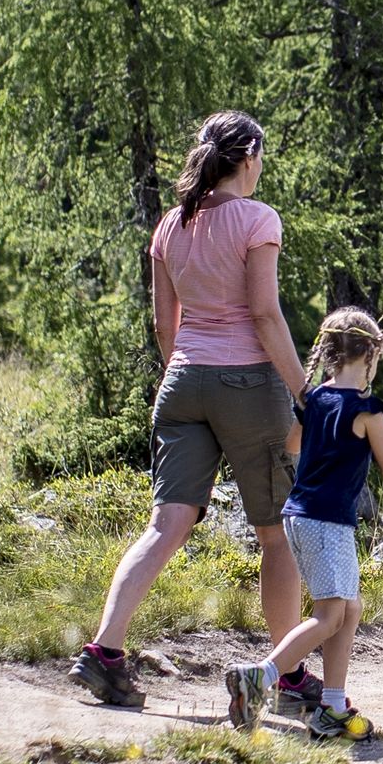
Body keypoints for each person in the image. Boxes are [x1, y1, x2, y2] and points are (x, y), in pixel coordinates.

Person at [69, 111, 316, 712]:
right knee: (275, 535)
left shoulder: (170, 225)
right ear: (249, 155)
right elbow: (263, 314)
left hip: (180, 382)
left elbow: (164, 323)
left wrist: (182, 371)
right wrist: (304, 390)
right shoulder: (259, 219)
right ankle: (286, 677)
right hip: (248, 385)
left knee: (164, 526)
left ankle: (104, 652)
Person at [225, 308, 383, 741]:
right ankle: (261, 676)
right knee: (329, 615)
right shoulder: (366, 411)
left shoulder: (314, 399)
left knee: (350, 608)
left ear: (330, 352)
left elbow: (292, 444)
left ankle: (332, 705)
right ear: (370, 353)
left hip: (298, 517)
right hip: (327, 524)